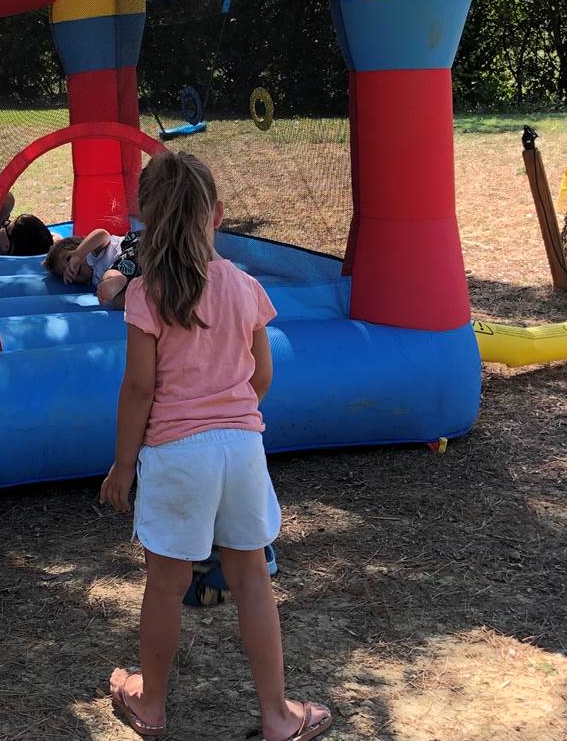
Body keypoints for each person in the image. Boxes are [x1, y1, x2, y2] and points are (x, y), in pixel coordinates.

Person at [99, 151, 331, 741]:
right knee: (252, 578)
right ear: (218, 215)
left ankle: (151, 703)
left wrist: (123, 465)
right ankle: (277, 715)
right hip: (242, 450)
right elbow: (262, 374)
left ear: (146, 220)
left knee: (165, 583)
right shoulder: (245, 286)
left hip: (176, 454)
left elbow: (139, 388)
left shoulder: (145, 293)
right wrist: (233, 417)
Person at [44, 227, 141, 307]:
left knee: (111, 274)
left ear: (81, 245)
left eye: (68, 258)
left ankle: (116, 279)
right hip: (141, 273)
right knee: (117, 302)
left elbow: (102, 234)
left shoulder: (93, 253)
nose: (70, 267)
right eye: (65, 272)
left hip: (136, 247)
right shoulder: (97, 283)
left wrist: (78, 254)